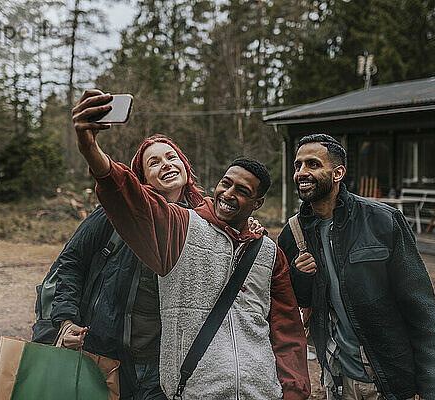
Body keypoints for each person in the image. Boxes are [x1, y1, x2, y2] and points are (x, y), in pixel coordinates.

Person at [71, 89, 311, 400]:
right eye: (226, 183)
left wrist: (293, 392)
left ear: (257, 202)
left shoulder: (267, 252)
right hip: (192, 388)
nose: (229, 193)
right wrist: (90, 149)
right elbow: (128, 197)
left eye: (242, 190)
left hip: (259, 391)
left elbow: (287, 329)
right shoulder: (180, 227)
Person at [277, 134, 435, 400]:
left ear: (338, 173)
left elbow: (422, 311)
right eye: (298, 165)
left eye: (312, 164)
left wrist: (433, 390)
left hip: (387, 379)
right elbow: (299, 303)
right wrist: (300, 276)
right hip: (336, 379)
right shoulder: (293, 233)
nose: (302, 172)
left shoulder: (383, 221)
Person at [48, 136, 204, 400]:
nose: (165, 164)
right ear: (141, 179)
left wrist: (250, 228)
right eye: (153, 162)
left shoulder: (203, 221)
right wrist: (66, 321)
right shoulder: (114, 213)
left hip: (168, 367)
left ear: (185, 168)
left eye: (171, 157)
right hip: (108, 360)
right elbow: (71, 263)